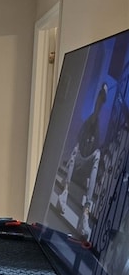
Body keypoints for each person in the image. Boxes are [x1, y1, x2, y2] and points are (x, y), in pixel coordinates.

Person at [57, 83, 107, 230]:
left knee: (97, 154)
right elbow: (80, 139)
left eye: (102, 100)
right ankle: (64, 193)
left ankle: (86, 210)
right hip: (77, 164)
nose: (100, 102)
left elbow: (96, 146)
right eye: (99, 98)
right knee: (76, 148)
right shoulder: (88, 121)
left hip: (85, 169)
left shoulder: (100, 127)